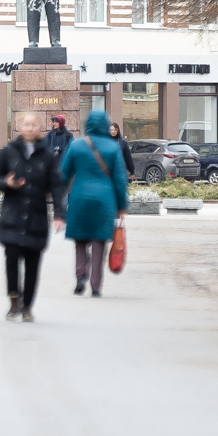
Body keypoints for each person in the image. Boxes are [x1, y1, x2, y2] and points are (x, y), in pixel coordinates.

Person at [0, 113, 66, 322]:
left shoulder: (48, 155)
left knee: (33, 264)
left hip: (36, 217)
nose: (30, 128)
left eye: (34, 125)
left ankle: (27, 306)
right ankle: (14, 298)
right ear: (19, 127)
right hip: (12, 216)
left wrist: (60, 214)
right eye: (26, 124)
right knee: (12, 259)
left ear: (39, 128)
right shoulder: (9, 152)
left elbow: (57, 187)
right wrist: (6, 183)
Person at [59, 110, 128, 297]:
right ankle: (96, 286)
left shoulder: (77, 145)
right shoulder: (113, 148)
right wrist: (122, 206)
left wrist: (58, 200)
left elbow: (64, 174)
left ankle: (81, 275)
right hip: (104, 201)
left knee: (80, 240)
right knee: (99, 242)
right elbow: (120, 180)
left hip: (79, 198)